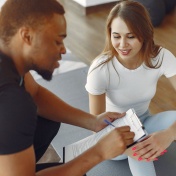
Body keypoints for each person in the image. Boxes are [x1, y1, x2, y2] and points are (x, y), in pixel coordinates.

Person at [0, 0, 135, 176]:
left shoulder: (7, 57)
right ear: (27, 36)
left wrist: (92, 121)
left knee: (47, 121)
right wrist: (99, 152)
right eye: (57, 41)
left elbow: (36, 93)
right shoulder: (13, 102)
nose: (63, 50)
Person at [85, 1, 176, 176]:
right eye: (116, 36)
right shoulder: (100, 69)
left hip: (146, 121)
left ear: (144, 34)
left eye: (131, 36)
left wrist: (169, 134)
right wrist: (132, 148)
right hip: (112, 134)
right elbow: (95, 127)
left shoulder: (160, 57)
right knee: (139, 142)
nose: (122, 44)